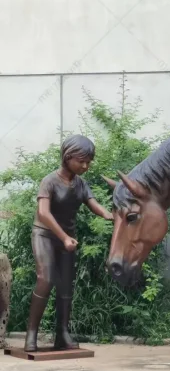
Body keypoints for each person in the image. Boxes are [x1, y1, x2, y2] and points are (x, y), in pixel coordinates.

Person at [24, 135, 112, 352]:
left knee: (66, 287)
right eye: (81, 161)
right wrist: (63, 237)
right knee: (46, 279)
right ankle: (31, 334)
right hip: (45, 235)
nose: (85, 166)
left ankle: (62, 334)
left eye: (88, 162)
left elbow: (94, 205)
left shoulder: (81, 184)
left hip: (68, 239)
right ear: (67, 157)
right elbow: (43, 214)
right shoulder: (49, 181)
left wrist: (111, 215)